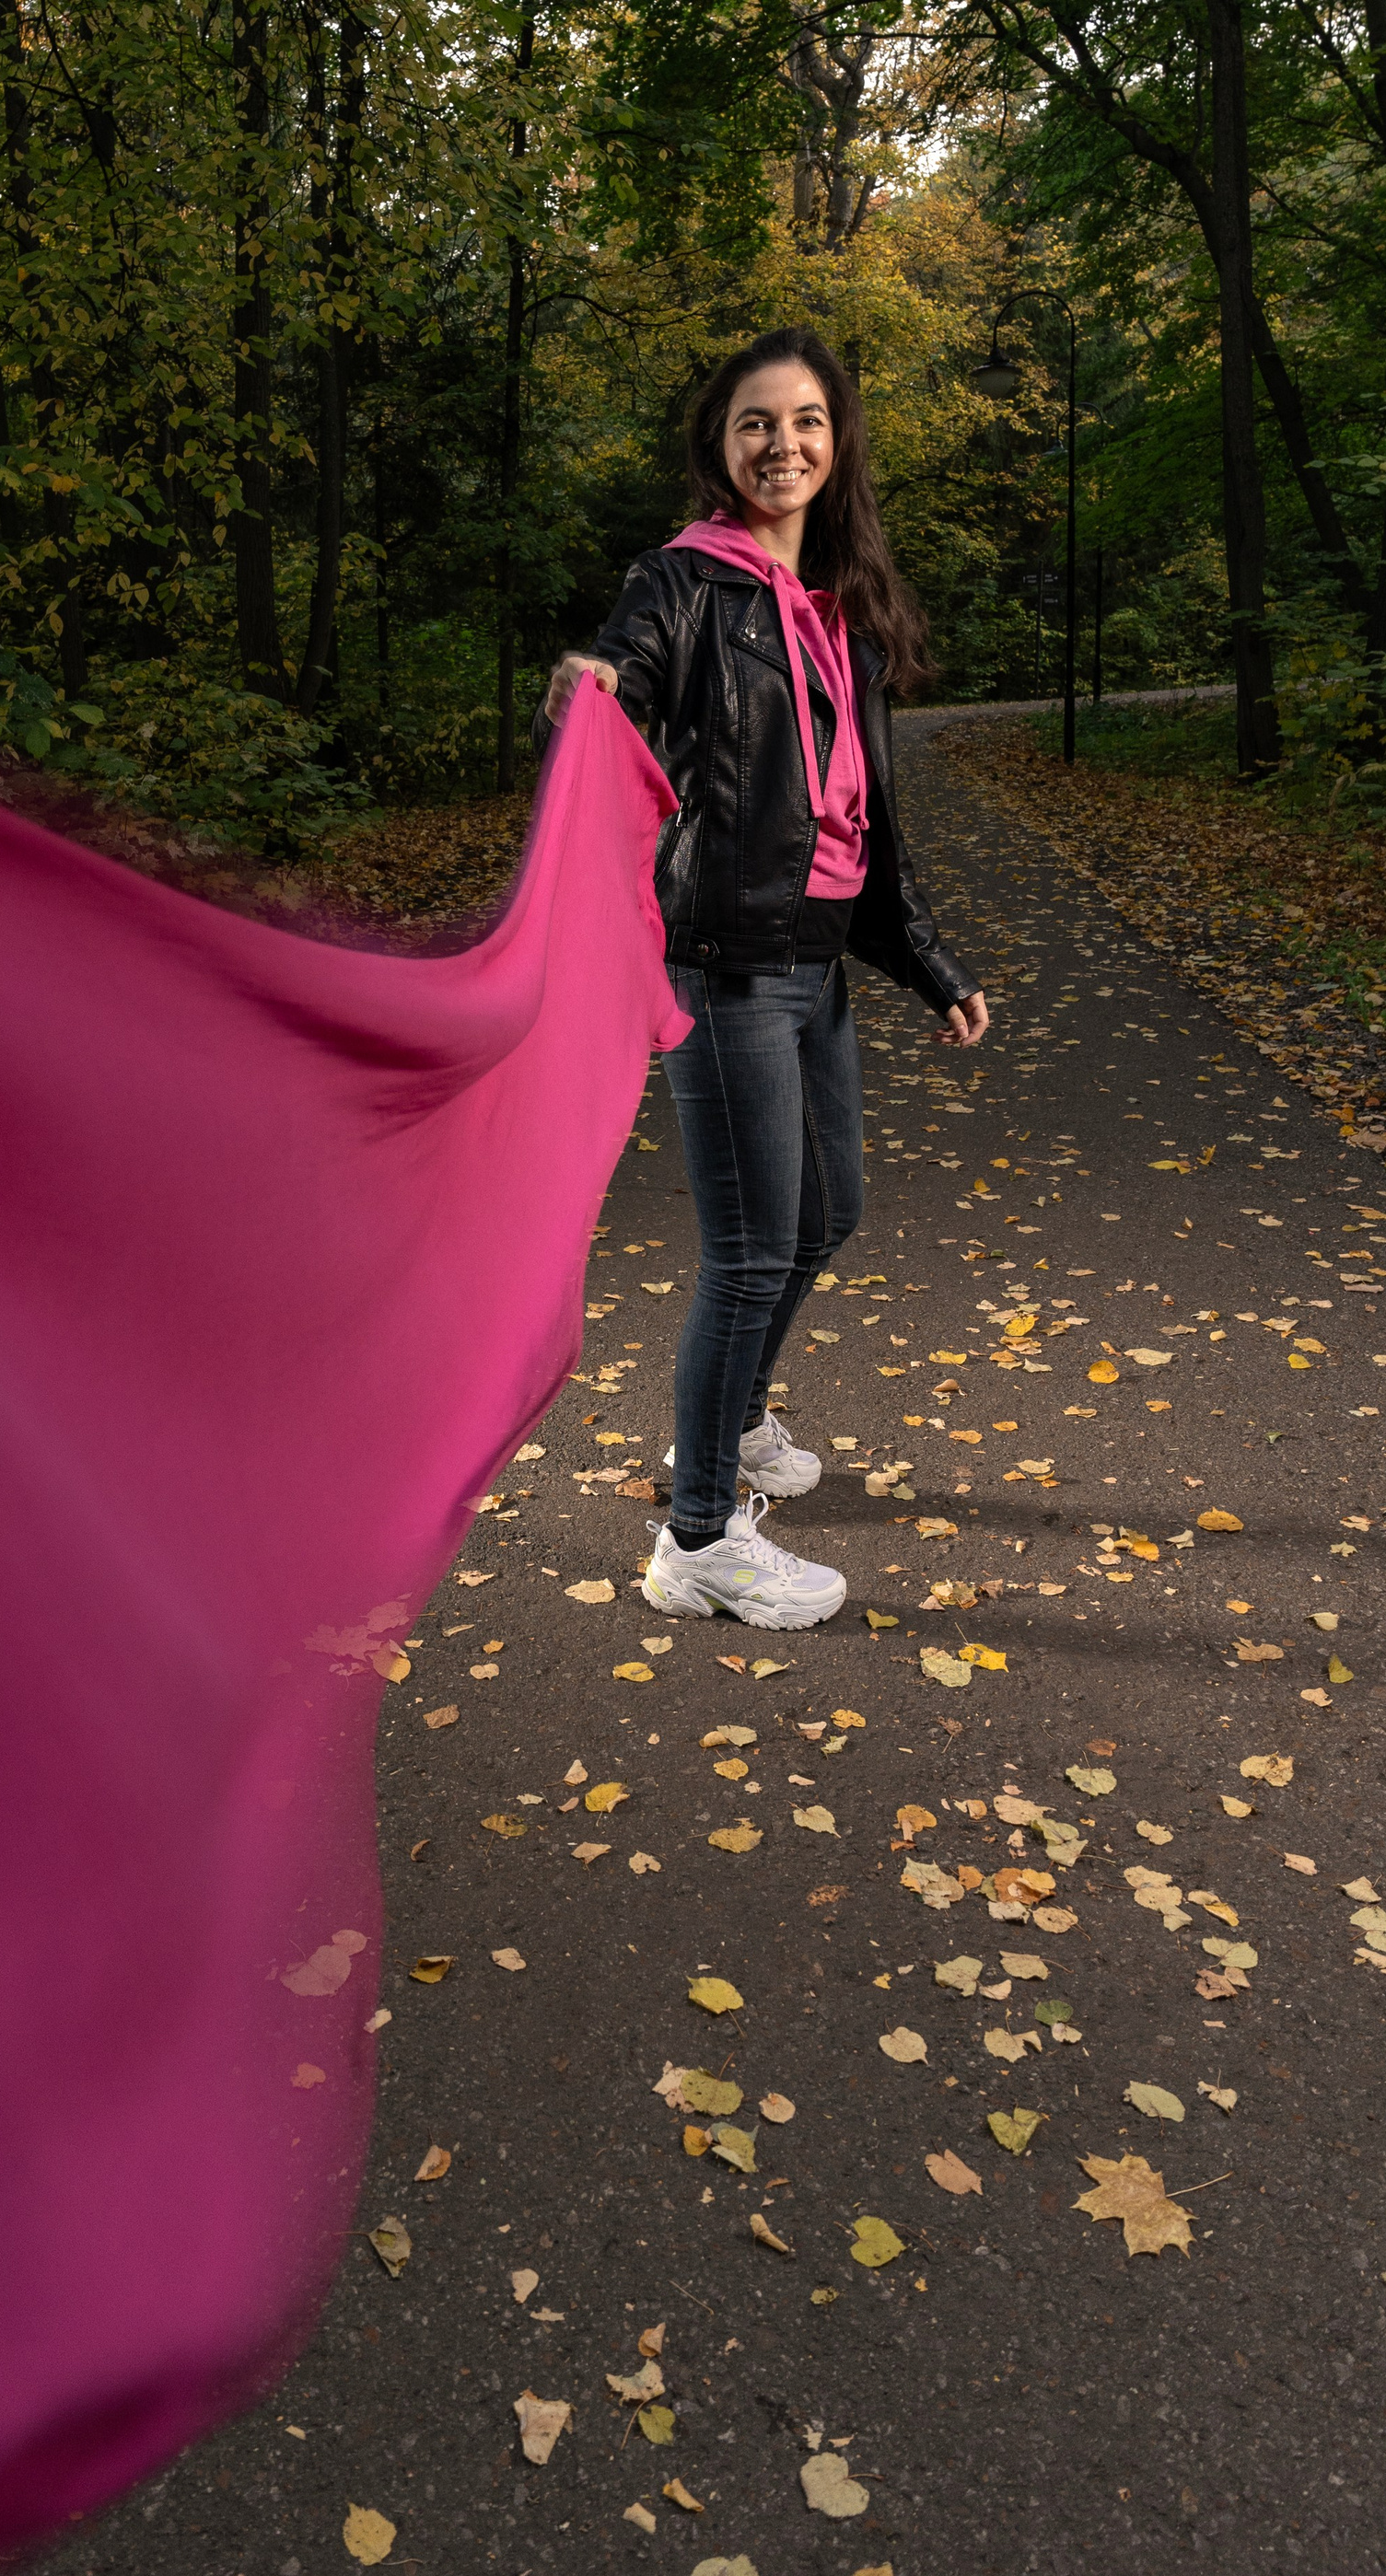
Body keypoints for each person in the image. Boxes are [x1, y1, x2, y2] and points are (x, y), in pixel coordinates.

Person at [537, 327, 988, 1630]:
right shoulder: (684, 583)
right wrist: (590, 690)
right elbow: (620, 672)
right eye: (755, 422)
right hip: (725, 968)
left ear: (836, 443)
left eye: (804, 421)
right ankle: (696, 1537)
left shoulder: (843, 610)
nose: (781, 443)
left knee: (828, 1213)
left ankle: (730, 1421)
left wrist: (927, 962)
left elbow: (870, 825)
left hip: (816, 963)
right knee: (748, 1254)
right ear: (720, 445)